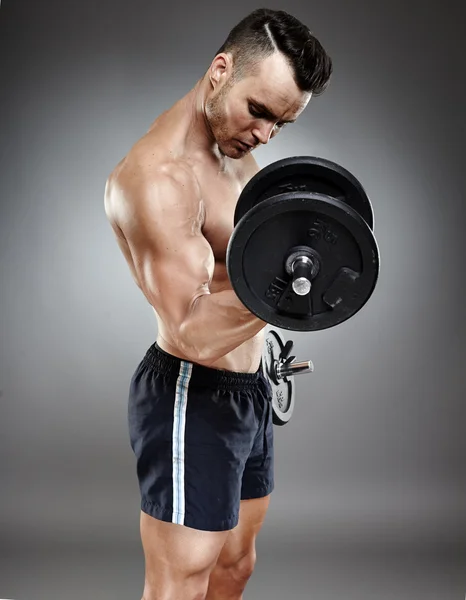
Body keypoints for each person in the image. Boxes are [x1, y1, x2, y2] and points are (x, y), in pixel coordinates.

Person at [104, 8, 332, 600]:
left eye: (281, 124)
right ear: (220, 69)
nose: (264, 135)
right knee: (184, 577)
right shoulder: (158, 177)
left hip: (249, 387)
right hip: (191, 393)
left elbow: (252, 261)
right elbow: (192, 332)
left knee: (235, 566)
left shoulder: (232, 151)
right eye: (259, 111)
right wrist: (297, 287)